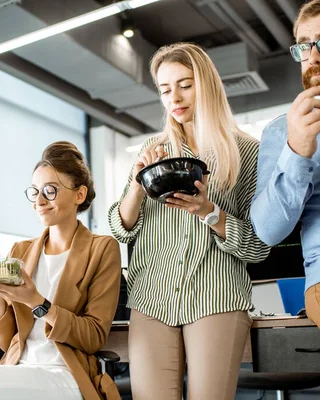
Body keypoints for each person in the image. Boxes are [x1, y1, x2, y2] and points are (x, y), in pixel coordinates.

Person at [107, 42, 270, 400]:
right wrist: (137, 185)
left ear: (206, 84)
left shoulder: (247, 152)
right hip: (152, 299)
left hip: (216, 297)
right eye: (165, 90)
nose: (175, 98)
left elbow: (258, 245)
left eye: (185, 84)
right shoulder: (154, 150)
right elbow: (120, 227)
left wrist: (208, 212)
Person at [0, 141, 122, 400]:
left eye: (50, 191)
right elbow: (8, 341)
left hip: (64, 373)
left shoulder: (102, 249)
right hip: (19, 368)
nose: (39, 201)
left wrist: (37, 302)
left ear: (79, 195)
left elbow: (93, 337)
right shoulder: (21, 250)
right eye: (34, 191)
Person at [251, 0, 320, 385]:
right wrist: (297, 150)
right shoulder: (284, 129)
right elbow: (267, 230)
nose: (312, 55)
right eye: (303, 44)